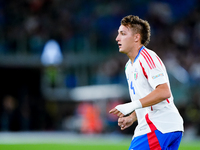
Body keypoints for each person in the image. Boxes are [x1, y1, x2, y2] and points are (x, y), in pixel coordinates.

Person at [109, 15, 184, 150]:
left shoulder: (147, 58)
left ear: (136, 37)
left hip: (158, 125)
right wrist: (132, 117)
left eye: (122, 34)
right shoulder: (129, 66)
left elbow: (164, 91)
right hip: (159, 126)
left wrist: (131, 105)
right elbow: (147, 98)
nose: (117, 38)